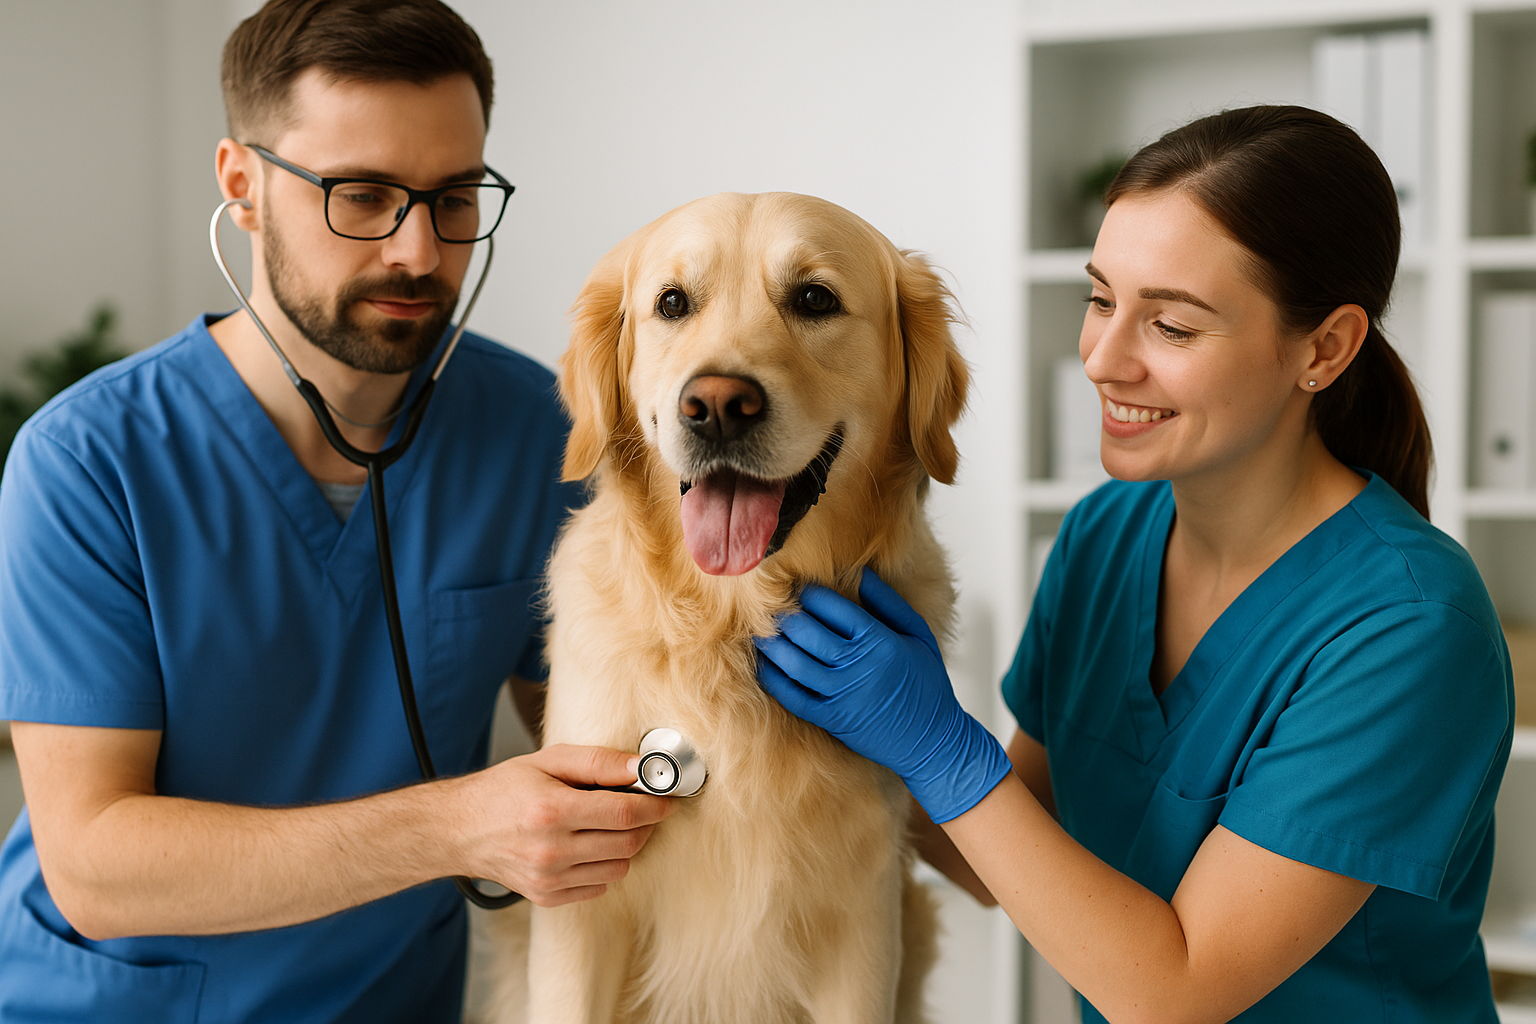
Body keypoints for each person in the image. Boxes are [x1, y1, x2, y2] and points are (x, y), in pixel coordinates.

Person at [758, 105, 1514, 1023]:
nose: (1104, 360)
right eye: (1102, 299)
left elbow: (1173, 993)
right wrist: (834, 735)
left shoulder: (1411, 628)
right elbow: (1005, 861)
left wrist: (938, 746)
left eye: (1174, 328)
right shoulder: (1105, 536)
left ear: (1324, 348)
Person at [0, 2, 674, 1021]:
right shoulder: (88, 458)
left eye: (454, 198)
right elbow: (97, 867)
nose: (417, 251)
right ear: (243, 187)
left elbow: (613, 746)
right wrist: (456, 825)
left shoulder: (541, 435)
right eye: (361, 195)